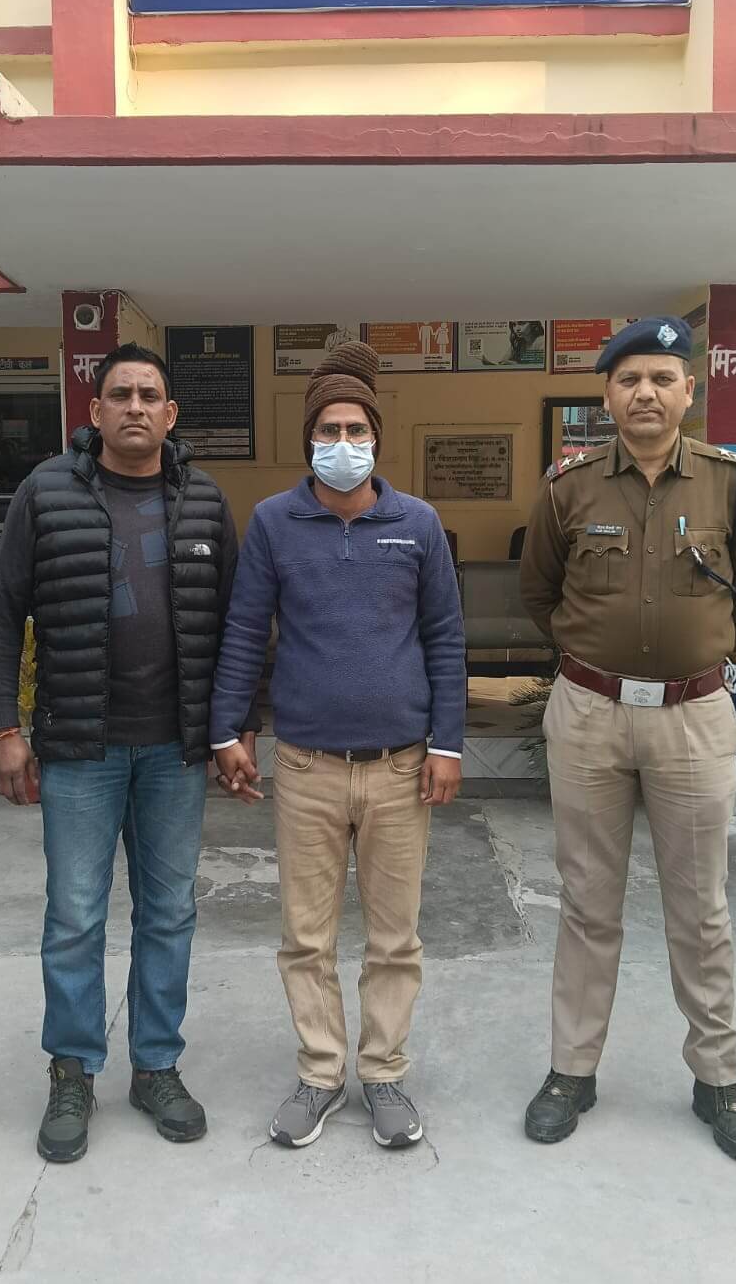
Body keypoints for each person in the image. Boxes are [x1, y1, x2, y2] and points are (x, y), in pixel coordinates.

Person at [0, 342, 255, 1161]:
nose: (135, 406)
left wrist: (235, 728)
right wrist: (3, 729)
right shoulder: (46, 492)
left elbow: (239, 624)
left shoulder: (204, 499)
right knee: (75, 916)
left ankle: (156, 1065)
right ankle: (72, 1069)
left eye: (149, 395)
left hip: (175, 752)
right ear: (94, 411)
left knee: (170, 912)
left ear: (170, 415)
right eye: (120, 393)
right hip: (79, 749)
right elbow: (1, 615)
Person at [519, 316, 736, 1164]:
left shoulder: (732, 483)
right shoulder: (567, 487)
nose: (645, 393)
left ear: (687, 391)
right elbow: (540, 593)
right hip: (589, 715)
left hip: (692, 718)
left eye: (662, 378)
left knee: (701, 908)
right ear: (607, 394)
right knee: (587, 902)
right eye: (630, 379)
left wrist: (698, 652)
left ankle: (718, 1077)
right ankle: (572, 1070)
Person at [211, 342, 465, 1151]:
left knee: (395, 937)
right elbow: (245, 629)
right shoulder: (274, 524)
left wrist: (449, 743)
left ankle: (383, 1072)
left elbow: (445, 637)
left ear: (377, 437)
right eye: (330, 430)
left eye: (357, 429)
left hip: (399, 768)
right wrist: (229, 727)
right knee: (306, 937)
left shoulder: (417, 524)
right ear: (310, 439)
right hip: (308, 767)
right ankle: (321, 1073)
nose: (344, 442)